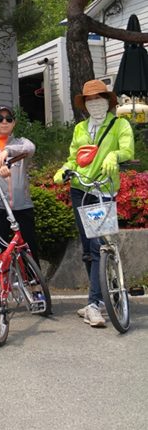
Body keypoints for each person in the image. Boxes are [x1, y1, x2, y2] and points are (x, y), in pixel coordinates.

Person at [53, 79, 134, 328]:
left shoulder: (120, 124)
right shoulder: (80, 129)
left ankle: (94, 303)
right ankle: (96, 299)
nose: (94, 103)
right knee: (89, 249)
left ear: (107, 101)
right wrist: (66, 169)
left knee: (99, 246)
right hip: (81, 191)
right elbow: (74, 158)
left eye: (99, 98)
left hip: (104, 191)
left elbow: (127, 150)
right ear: (85, 104)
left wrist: (114, 155)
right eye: (89, 99)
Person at [0, 105, 39, 264]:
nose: (4, 122)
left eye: (8, 119)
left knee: (30, 247)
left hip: (22, 206)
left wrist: (7, 152)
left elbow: (30, 148)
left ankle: (35, 285)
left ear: (14, 123)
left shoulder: (21, 142)